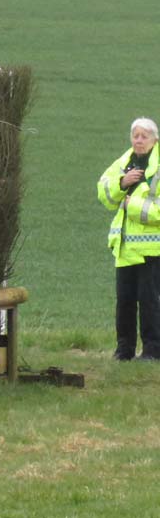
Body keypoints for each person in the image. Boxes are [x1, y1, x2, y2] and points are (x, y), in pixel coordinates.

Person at [97, 117, 160, 360]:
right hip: (124, 248)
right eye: (135, 135)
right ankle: (123, 350)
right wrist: (122, 182)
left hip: (151, 250)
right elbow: (103, 191)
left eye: (144, 136)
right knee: (124, 303)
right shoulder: (125, 162)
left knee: (150, 302)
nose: (139, 140)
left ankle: (153, 351)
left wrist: (131, 204)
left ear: (155, 140)